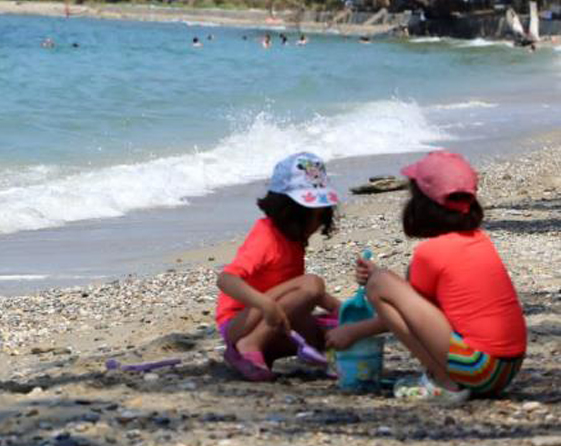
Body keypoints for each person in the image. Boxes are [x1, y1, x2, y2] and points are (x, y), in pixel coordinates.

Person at [326, 151, 526, 403]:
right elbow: (421, 306)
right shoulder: (479, 240)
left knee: (379, 283)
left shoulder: (430, 252)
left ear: (421, 204)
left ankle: (445, 383)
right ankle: (451, 379)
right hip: (506, 369)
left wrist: (353, 331)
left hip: (478, 367)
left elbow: (412, 318)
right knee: (382, 280)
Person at [216, 152, 342, 381]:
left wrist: (342, 310)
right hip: (240, 323)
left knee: (336, 331)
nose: (316, 224)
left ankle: (261, 352)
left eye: (322, 216)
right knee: (312, 283)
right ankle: (250, 345)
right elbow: (226, 280)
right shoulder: (266, 237)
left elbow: (293, 290)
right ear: (288, 210)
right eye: (311, 216)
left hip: (275, 321)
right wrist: (265, 304)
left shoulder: (293, 239)